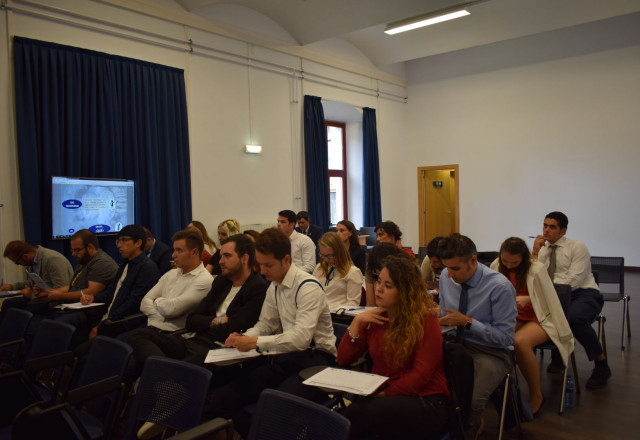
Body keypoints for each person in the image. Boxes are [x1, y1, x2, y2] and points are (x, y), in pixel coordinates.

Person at [207, 227, 336, 430]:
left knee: (272, 411)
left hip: (315, 361)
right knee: (222, 398)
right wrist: (242, 337)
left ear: (286, 260)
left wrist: (254, 342)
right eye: (260, 264)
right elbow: (265, 324)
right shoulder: (275, 285)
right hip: (286, 357)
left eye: (268, 265)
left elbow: (301, 338)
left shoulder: (308, 287)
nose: (263, 270)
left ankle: (264, 430)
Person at [338, 255, 449, 440]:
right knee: (354, 416)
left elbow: (421, 375)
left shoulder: (425, 320)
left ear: (404, 291)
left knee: (356, 416)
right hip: (386, 396)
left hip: (425, 400)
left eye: (388, 286)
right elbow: (343, 359)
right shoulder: (375, 318)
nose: (379, 289)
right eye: (379, 282)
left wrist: (384, 394)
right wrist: (357, 322)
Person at [127, 234, 266, 367]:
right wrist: (214, 321)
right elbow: (191, 321)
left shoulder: (257, 288)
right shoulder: (222, 282)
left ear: (245, 258)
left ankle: (162, 372)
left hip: (221, 349)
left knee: (184, 366)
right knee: (138, 335)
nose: (221, 261)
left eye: (227, 256)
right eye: (221, 255)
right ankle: (161, 369)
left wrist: (204, 323)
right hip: (196, 341)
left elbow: (233, 328)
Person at [437, 234, 517, 435]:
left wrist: (468, 322)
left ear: (473, 260)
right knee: (430, 390)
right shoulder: (448, 279)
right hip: (454, 344)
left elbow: (506, 339)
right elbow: (446, 313)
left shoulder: (499, 287)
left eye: (456, 268)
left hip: (490, 352)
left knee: (471, 402)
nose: (450, 275)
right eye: (447, 268)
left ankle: (466, 430)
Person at [491, 237, 574, 415]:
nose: (509, 265)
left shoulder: (536, 268)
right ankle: (506, 389)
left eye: (514, 262)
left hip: (541, 316)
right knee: (498, 339)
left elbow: (549, 301)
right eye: (505, 261)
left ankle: (536, 395)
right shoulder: (497, 265)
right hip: (515, 314)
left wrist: (529, 299)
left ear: (523, 258)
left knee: (519, 342)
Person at [532, 211, 610, 389]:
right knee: (535, 315)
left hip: (584, 293)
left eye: (552, 227)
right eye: (545, 225)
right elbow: (533, 275)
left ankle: (601, 365)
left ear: (563, 230)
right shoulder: (543, 249)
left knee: (574, 318)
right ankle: (558, 357)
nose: (546, 230)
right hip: (554, 293)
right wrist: (535, 253)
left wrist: (548, 289)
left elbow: (574, 280)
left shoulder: (577, 247)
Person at [77, 225, 160, 339]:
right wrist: (93, 298)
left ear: (138, 243)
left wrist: (105, 324)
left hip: (123, 323)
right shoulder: (124, 264)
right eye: (118, 241)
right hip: (108, 318)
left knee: (80, 349)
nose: (119, 245)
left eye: (124, 240)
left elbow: (133, 302)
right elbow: (111, 291)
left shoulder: (147, 267)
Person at [138, 229, 213, 332]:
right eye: (174, 250)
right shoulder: (172, 273)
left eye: (179, 250)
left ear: (194, 252)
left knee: (129, 341)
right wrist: (159, 317)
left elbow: (171, 310)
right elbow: (145, 301)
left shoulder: (204, 279)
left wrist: (157, 300)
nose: (173, 255)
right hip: (151, 328)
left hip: (173, 334)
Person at [41, 229, 118, 302]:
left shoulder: (102, 263)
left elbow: (91, 291)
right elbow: (74, 287)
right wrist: (51, 292)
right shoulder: (85, 259)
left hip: (88, 310)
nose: (73, 254)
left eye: (77, 250)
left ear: (90, 247)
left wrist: (61, 296)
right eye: (72, 250)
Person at [1, 240, 73, 298]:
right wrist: (12, 287)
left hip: (56, 301)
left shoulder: (52, 260)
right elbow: (32, 283)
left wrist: (31, 295)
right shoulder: (31, 262)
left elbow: (63, 289)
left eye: (17, 262)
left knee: (14, 309)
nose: (18, 265)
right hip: (44, 299)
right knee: (9, 304)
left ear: (25, 257)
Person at [313, 232, 363, 308]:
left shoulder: (352, 272)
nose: (326, 259)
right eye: (323, 255)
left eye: (330, 256)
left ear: (340, 252)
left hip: (338, 316)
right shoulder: (319, 268)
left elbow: (353, 304)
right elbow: (312, 293)